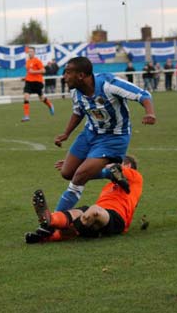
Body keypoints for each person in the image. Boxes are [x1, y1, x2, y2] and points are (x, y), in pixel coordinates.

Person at [53, 56, 155, 211]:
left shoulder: (109, 85)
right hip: (90, 133)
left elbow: (143, 95)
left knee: (79, 175)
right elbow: (78, 112)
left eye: (68, 72)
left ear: (81, 75)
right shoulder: (76, 92)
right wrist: (66, 133)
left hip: (114, 137)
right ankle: (110, 172)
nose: (64, 76)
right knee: (67, 172)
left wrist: (150, 113)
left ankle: (54, 220)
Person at [25, 155, 142, 244]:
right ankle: (50, 221)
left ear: (128, 166)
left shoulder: (135, 177)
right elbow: (93, 172)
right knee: (77, 212)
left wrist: (78, 164)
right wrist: (74, 168)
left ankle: (55, 235)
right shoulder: (109, 185)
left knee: (94, 211)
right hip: (101, 212)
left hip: (117, 218)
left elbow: (112, 168)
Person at [21, 47, 54, 122]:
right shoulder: (28, 61)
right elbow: (29, 72)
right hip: (29, 82)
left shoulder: (37, 61)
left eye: (31, 51)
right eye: (29, 52)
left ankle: (50, 105)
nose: (30, 53)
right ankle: (26, 116)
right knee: (26, 97)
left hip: (37, 82)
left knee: (41, 99)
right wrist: (25, 78)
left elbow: (43, 70)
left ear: (34, 53)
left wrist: (34, 72)